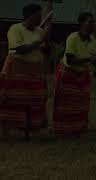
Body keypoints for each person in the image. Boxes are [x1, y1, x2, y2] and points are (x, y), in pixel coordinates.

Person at [0, 3, 52, 137]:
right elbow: (19, 49)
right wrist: (38, 42)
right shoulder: (15, 29)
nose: (40, 19)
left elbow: (46, 52)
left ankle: (28, 130)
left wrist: (46, 40)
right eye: (38, 16)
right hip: (16, 67)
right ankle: (7, 130)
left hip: (34, 69)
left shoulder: (40, 32)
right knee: (13, 99)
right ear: (30, 16)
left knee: (34, 100)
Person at [53, 12, 96, 136]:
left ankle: (78, 129)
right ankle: (62, 130)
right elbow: (71, 60)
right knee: (65, 102)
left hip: (82, 74)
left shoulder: (92, 41)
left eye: (93, 22)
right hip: (68, 72)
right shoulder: (73, 38)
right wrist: (90, 59)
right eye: (90, 22)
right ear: (82, 23)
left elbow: (94, 60)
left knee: (81, 103)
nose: (93, 25)